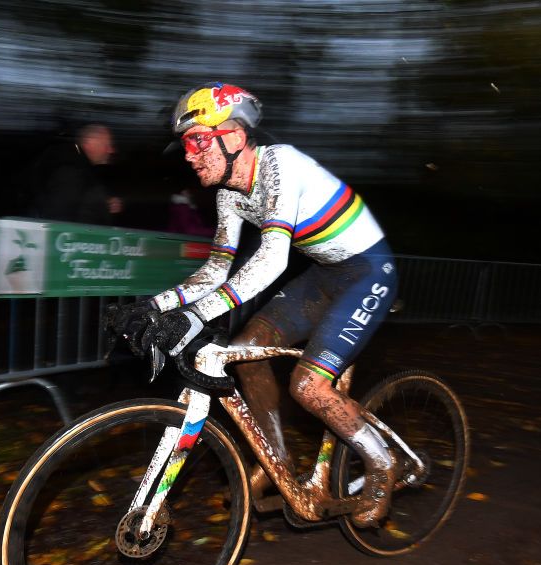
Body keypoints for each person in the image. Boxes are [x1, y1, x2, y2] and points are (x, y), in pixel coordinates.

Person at [112, 82, 398, 527]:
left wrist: (193, 316)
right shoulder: (230, 195)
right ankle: (275, 461)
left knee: (308, 387)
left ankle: (383, 464)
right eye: (186, 144)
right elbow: (216, 270)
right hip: (325, 275)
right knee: (245, 352)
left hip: (367, 271)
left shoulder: (280, 165)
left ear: (235, 137)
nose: (189, 155)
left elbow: (271, 258)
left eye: (196, 140)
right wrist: (156, 305)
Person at [29, 123, 123, 224]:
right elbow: (59, 222)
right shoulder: (71, 173)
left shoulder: (80, 167)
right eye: (107, 145)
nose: (111, 150)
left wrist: (103, 204)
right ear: (90, 143)